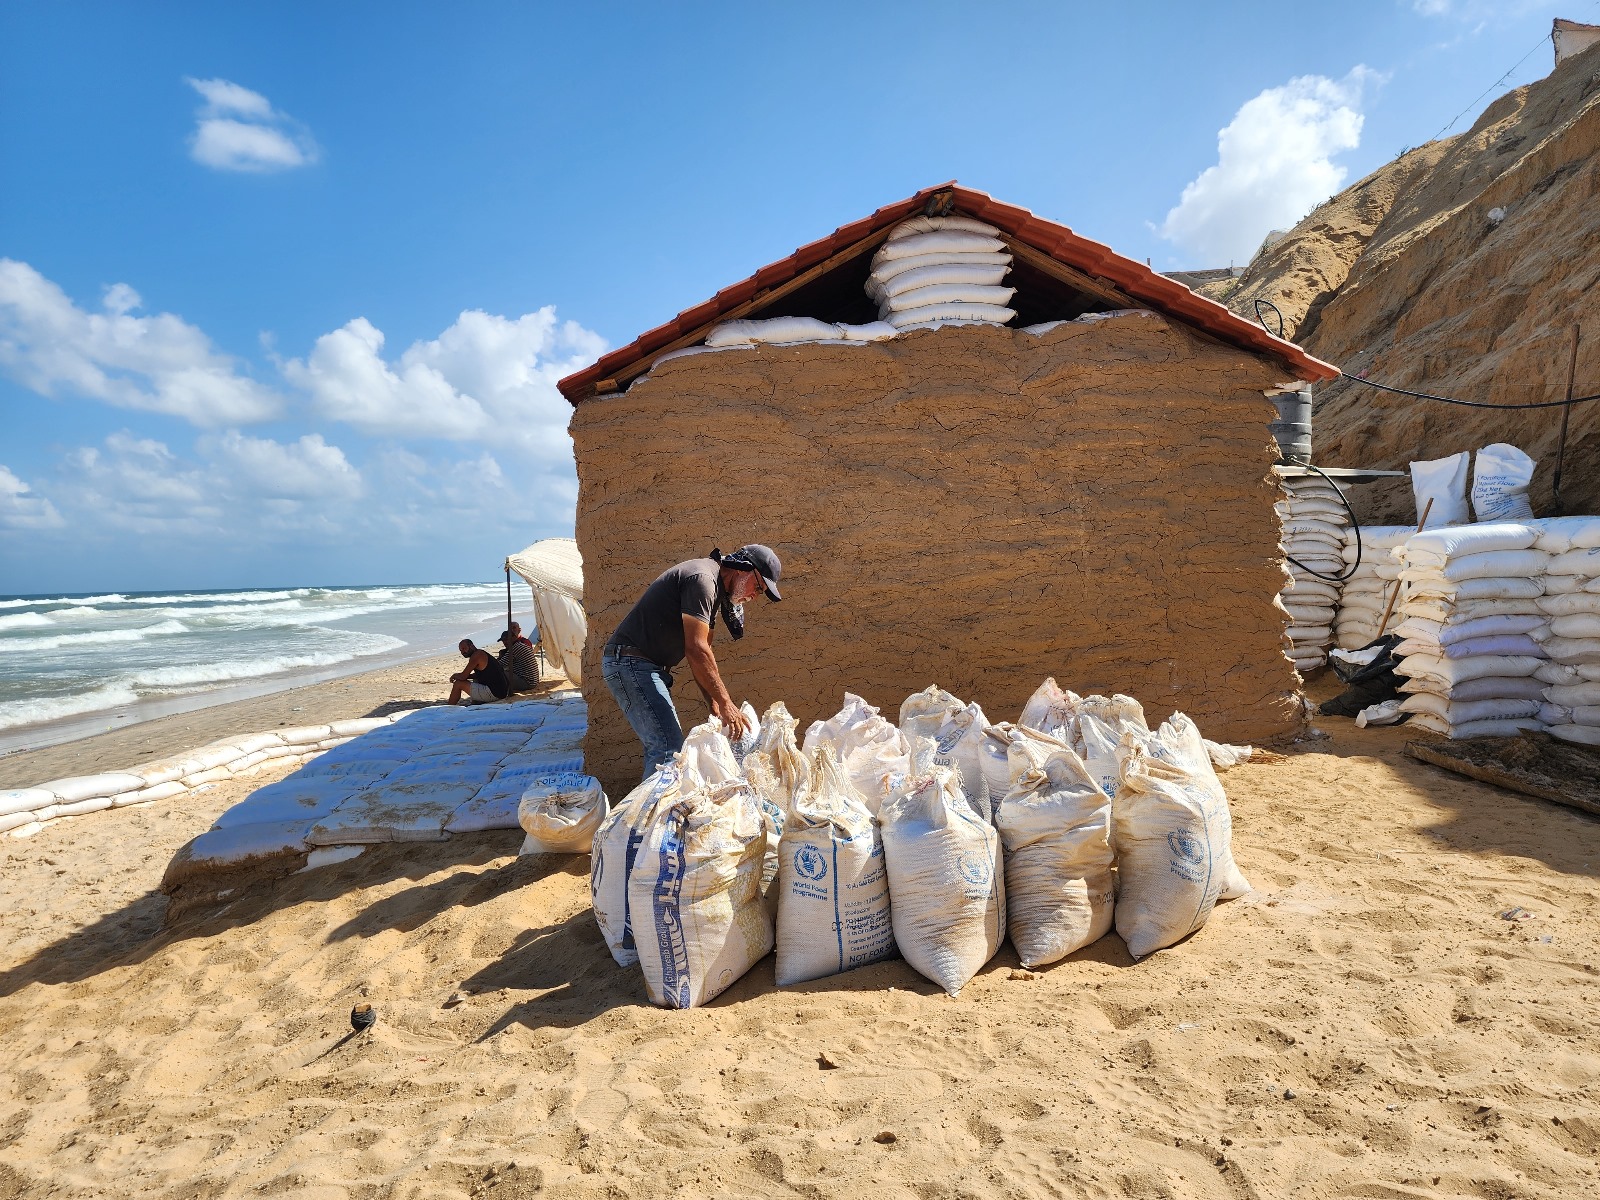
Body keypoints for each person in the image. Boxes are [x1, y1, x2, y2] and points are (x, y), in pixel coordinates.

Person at [603, 544, 782, 779]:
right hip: (631, 663)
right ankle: (649, 814)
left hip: (642, 666)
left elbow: (703, 652)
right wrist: (726, 703)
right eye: (758, 587)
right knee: (667, 748)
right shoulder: (703, 580)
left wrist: (714, 704)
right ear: (743, 570)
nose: (754, 596)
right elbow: (696, 649)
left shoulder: (715, 589)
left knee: (667, 747)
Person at [448, 638, 511, 705]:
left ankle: (449, 708)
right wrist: (466, 676)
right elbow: (479, 674)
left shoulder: (476, 655)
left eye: (464, 648)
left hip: (495, 693)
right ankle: (475, 702)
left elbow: (463, 676)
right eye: (461, 650)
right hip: (502, 691)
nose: (462, 652)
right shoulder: (481, 653)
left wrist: (455, 675)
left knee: (458, 684)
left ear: (471, 646)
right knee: (474, 680)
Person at [497, 628, 540, 693]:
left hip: (527, 683)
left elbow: (499, 665)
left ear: (514, 638)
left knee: (498, 673)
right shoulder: (520, 645)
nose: (504, 642)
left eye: (506, 639)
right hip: (533, 681)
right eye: (503, 640)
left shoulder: (515, 648)